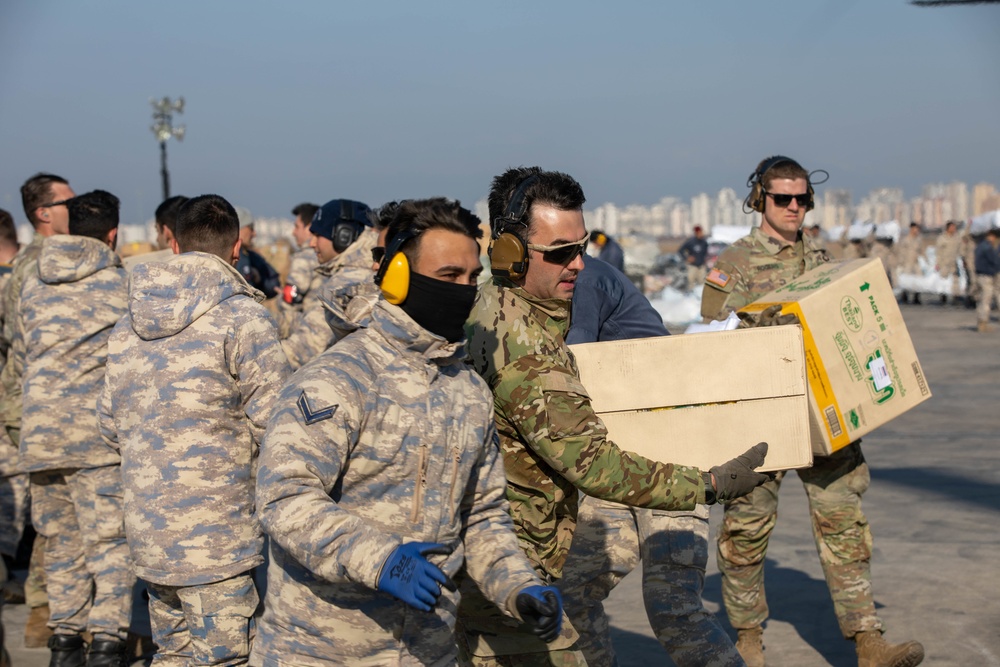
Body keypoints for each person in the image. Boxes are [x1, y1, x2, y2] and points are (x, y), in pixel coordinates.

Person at [458, 166, 771, 666]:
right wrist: (710, 482)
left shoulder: (495, 307)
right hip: (519, 562)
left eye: (582, 247)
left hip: (532, 546)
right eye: (560, 253)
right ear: (508, 253)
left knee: (652, 607)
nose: (579, 265)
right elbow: (594, 464)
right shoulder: (526, 350)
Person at [251, 198, 562, 666]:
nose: (463, 290)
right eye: (447, 276)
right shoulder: (338, 379)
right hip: (320, 650)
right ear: (397, 277)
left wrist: (518, 587)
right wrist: (379, 559)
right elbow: (284, 498)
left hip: (426, 649)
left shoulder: (470, 392)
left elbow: (481, 514)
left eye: (470, 278)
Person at [701, 155, 925, 667]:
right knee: (746, 530)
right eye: (783, 198)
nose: (795, 208)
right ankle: (747, 637)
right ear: (760, 199)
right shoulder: (734, 263)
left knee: (844, 522)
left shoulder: (822, 261)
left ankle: (867, 639)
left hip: (825, 414)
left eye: (803, 199)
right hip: (763, 415)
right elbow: (712, 334)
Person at [99, 194, 291, 666]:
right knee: (224, 659)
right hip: (218, 541)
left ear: (175, 244)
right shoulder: (243, 317)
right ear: (237, 247)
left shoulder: (129, 323)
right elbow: (278, 426)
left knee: (172, 655)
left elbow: (108, 425)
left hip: (150, 533)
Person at [558, 253, 742, 667]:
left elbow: (568, 376)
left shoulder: (581, 283)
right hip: (617, 466)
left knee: (672, 605)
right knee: (570, 592)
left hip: (670, 459)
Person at [14, 190, 135, 667]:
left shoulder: (33, 285)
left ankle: (65, 641)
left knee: (59, 544)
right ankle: (106, 642)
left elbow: (23, 354)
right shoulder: (119, 286)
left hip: (41, 437)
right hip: (95, 441)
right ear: (113, 234)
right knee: (109, 545)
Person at [2, 173, 76, 649]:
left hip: (41, 403)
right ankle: (45, 615)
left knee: (56, 513)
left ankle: (48, 614)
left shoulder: (46, 260)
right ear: (43, 213)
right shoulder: (38, 265)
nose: (77, 206)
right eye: (67, 201)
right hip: (41, 405)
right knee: (56, 514)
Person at [279, 198, 372, 369]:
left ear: (343, 236)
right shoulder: (371, 269)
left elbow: (304, 348)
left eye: (318, 235)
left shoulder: (346, 283)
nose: (312, 243)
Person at [277, 203, 322, 337]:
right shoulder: (327, 255)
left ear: (309, 228)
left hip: (305, 332)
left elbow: (290, 303)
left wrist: (282, 296)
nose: (293, 232)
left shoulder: (303, 258)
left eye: (297, 227)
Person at [235, 207, 281, 299]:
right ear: (238, 228)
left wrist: (258, 278)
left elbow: (274, 283)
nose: (254, 233)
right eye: (251, 228)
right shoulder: (219, 255)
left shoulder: (251, 257)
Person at [973, 228, 1000, 333]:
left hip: (980, 275)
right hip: (986, 277)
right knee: (986, 301)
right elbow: (994, 261)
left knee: (981, 300)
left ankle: (981, 323)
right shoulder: (987, 248)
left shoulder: (980, 246)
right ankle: (983, 324)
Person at [895, 223, 923, 305]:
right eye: (914, 229)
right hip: (907, 262)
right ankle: (905, 296)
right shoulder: (906, 240)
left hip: (916, 262)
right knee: (906, 279)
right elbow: (901, 252)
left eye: (917, 229)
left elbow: (921, 251)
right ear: (911, 229)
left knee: (918, 279)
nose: (916, 231)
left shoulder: (919, 240)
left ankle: (916, 297)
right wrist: (901, 263)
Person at [935, 220, 961, 305]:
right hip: (944, 262)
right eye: (952, 227)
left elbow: (960, 249)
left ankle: (955, 297)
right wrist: (937, 263)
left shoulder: (957, 238)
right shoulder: (942, 238)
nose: (954, 229)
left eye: (954, 227)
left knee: (955, 280)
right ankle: (943, 297)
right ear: (948, 228)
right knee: (943, 280)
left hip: (954, 262)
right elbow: (938, 252)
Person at [678, 226, 709, 291]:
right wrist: (687, 258)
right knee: (691, 282)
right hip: (692, 266)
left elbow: (706, 253)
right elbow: (680, 250)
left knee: (702, 282)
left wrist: (706, 260)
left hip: (701, 266)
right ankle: (690, 296)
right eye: (699, 232)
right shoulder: (690, 242)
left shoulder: (704, 242)